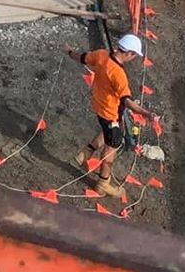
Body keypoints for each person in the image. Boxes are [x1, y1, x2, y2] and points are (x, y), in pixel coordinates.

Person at [65, 34, 155, 198]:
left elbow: (83, 57)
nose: (133, 58)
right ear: (128, 53)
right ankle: (103, 183)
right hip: (110, 113)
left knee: (109, 132)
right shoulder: (119, 75)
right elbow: (127, 101)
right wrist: (145, 113)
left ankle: (84, 154)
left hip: (99, 105)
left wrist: (70, 52)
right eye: (134, 55)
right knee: (111, 146)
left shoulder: (101, 55)